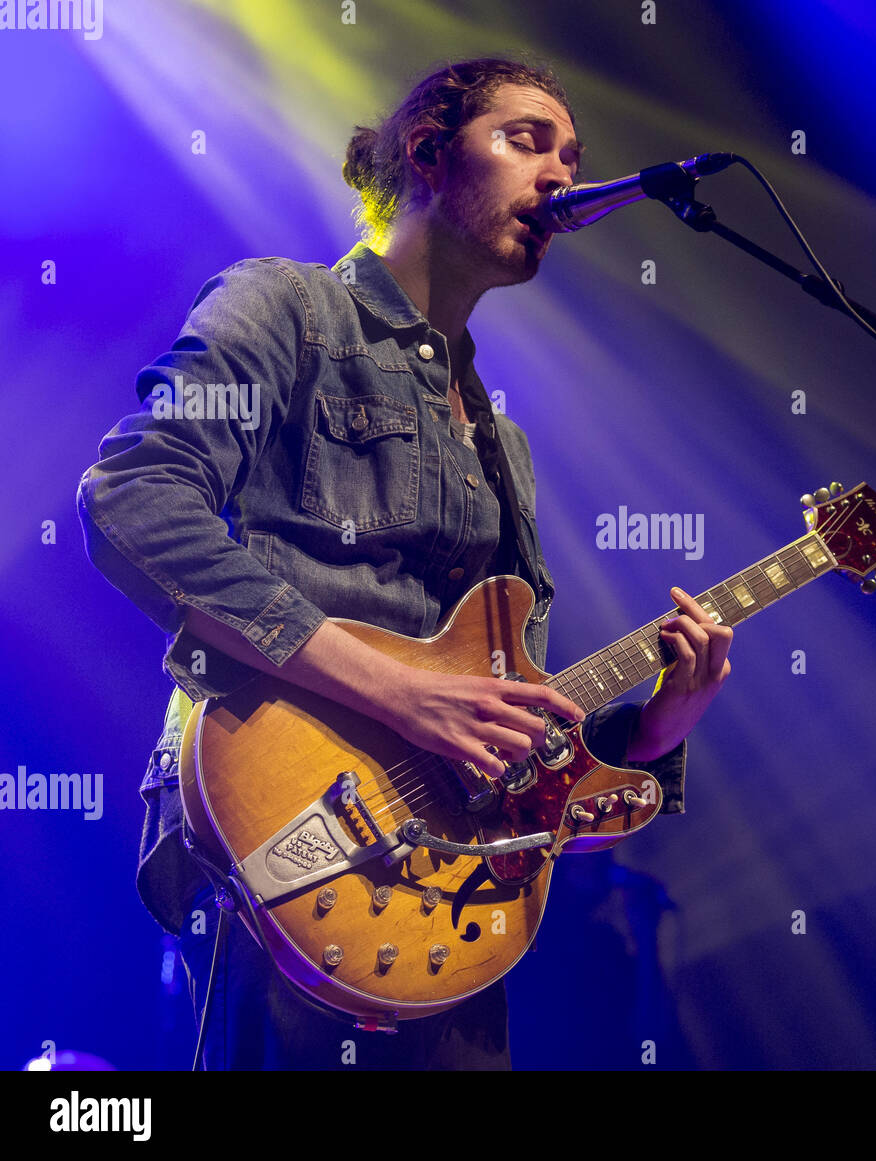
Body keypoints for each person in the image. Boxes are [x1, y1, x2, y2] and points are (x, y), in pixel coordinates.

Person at [77, 58, 732, 1070]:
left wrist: (655, 729)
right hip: (285, 833)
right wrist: (395, 692)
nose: (561, 173)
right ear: (426, 150)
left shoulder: (498, 445)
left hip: (448, 899)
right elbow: (132, 498)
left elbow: (508, 748)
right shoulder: (285, 308)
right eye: (527, 141)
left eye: (572, 155)